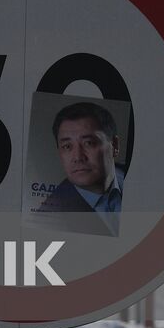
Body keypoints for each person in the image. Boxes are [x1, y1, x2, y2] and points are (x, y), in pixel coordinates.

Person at [35, 101, 123, 236]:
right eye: (67, 146)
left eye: (89, 143)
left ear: (115, 146)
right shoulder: (47, 218)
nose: (78, 157)